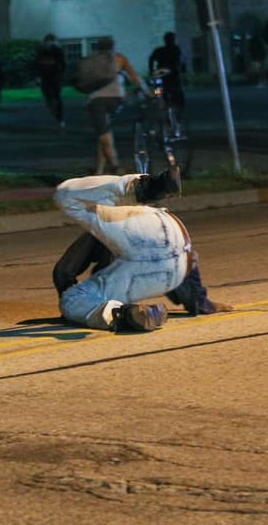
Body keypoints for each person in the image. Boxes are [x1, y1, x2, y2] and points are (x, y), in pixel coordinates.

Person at [53, 167, 218, 331]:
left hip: (148, 271)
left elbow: (64, 271)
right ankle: (145, 187)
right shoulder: (119, 215)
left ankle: (122, 315)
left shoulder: (98, 230)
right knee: (67, 195)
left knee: (72, 300)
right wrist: (200, 301)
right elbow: (185, 256)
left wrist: (70, 306)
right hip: (172, 251)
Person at [76, 36, 148, 175]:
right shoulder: (119, 58)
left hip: (96, 100)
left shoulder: (92, 59)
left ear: (98, 46)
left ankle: (115, 166)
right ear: (113, 46)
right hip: (116, 99)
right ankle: (99, 170)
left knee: (104, 134)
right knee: (103, 133)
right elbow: (135, 77)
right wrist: (147, 92)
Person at [147, 32, 187, 124]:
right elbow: (181, 63)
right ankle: (178, 118)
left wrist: (151, 70)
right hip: (173, 79)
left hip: (163, 79)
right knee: (179, 99)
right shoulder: (176, 49)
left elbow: (151, 59)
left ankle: (164, 111)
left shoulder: (159, 50)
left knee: (159, 93)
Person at [33, 34, 66, 128]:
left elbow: (62, 64)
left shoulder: (57, 51)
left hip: (55, 77)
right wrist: (37, 77)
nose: (50, 43)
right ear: (45, 42)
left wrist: (60, 73)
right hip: (45, 78)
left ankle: (60, 117)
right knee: (48, 97)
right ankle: (55, 112)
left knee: (57, 96)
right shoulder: (41, 52)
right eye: (48, 41)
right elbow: (36, 65)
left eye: (52, 41)